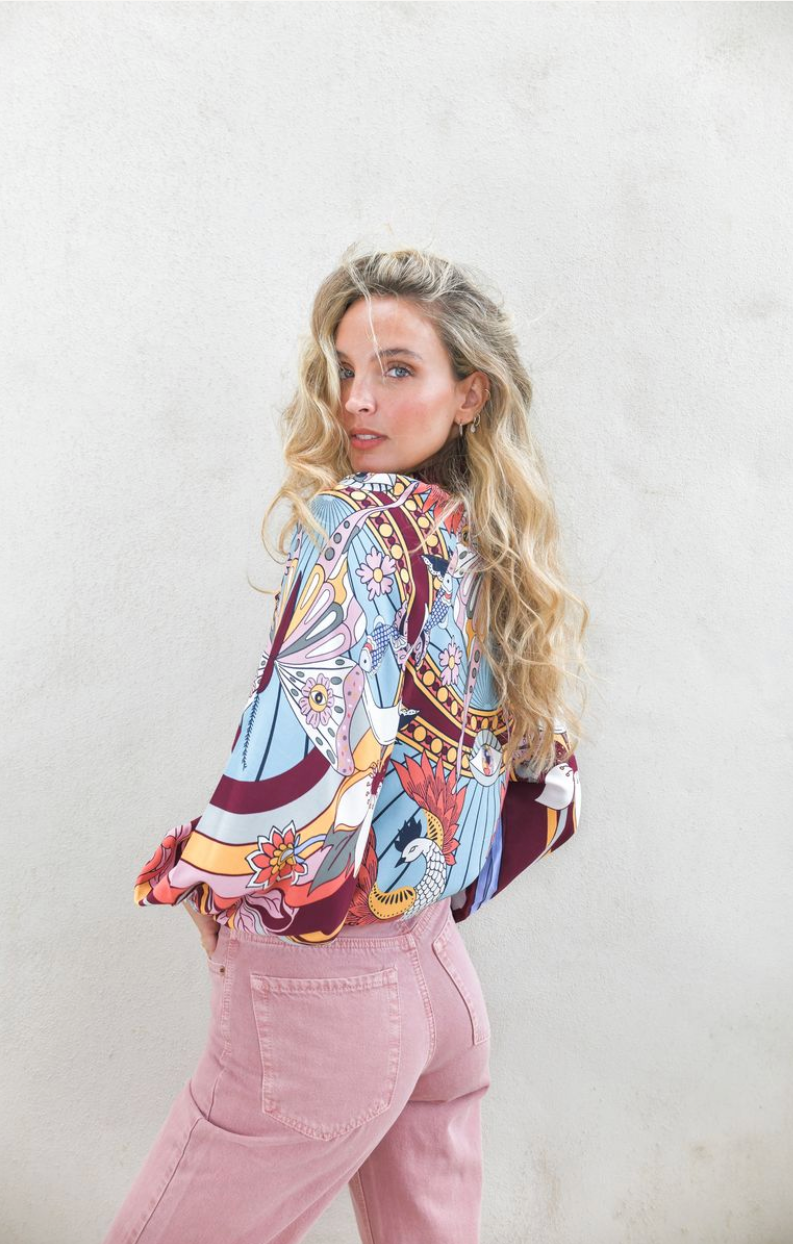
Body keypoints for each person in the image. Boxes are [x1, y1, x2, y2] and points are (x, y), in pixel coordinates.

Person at [102, 245, 589, 1243]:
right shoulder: (488, 541)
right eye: (345, 368)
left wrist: (224, 879)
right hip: (438, 977)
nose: (357, 400)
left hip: (329, 992)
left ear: (470, 393)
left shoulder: (359, 522)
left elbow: (310, 738)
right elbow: (538, 774)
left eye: (397, 369)